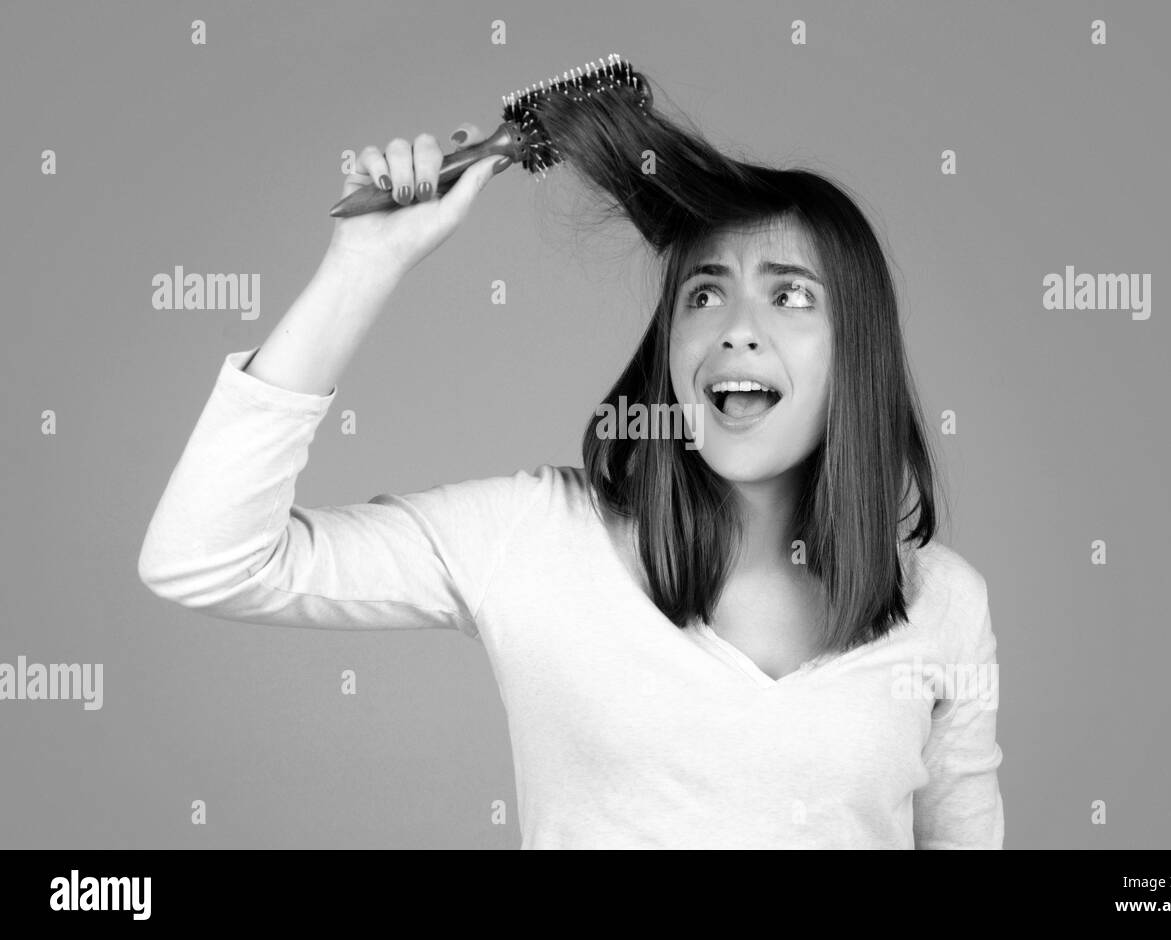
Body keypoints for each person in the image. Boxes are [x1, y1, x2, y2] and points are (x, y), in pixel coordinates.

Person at [139, 113, 1004, 849]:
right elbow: (208, 558)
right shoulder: (537, 538)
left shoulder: (945, 606)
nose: (737, 329)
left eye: (790, 296)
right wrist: (363, 265)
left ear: (858, 350)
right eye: (704, 295)